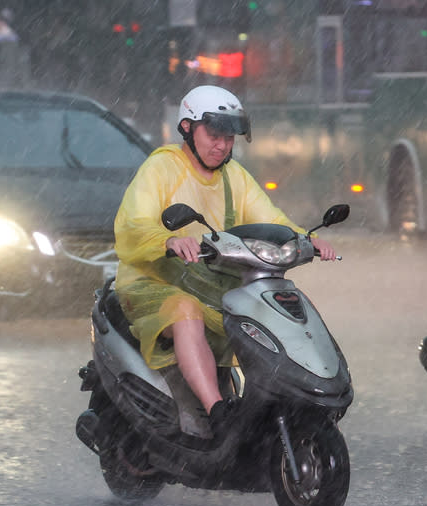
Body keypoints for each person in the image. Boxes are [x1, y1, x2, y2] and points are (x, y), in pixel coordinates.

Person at [113, 85, 336, 438]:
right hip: (152, 285)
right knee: (185, 310)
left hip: (211, 284)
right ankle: (217, 412)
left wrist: (305, 239)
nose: (222, 145)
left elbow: (272, 220)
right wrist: (168, 240)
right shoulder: (161, 167)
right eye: (214, 135)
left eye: (229, 137)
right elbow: (133, 224)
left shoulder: (235, 177)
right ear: (187, 128)